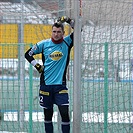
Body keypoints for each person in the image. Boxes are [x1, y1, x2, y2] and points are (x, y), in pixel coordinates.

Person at [25, 16, 74, 133]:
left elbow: (79, 29)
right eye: (54, 32)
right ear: (51, 32)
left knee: (64, 113)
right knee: (48, 115)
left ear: (63, 33)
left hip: (60, 86)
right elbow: (28, 54)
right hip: (45, 85)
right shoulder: (43, 44)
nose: (56, 34)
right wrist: (37, 65)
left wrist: (67, 20)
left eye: (59, 32)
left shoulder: (67, 42)